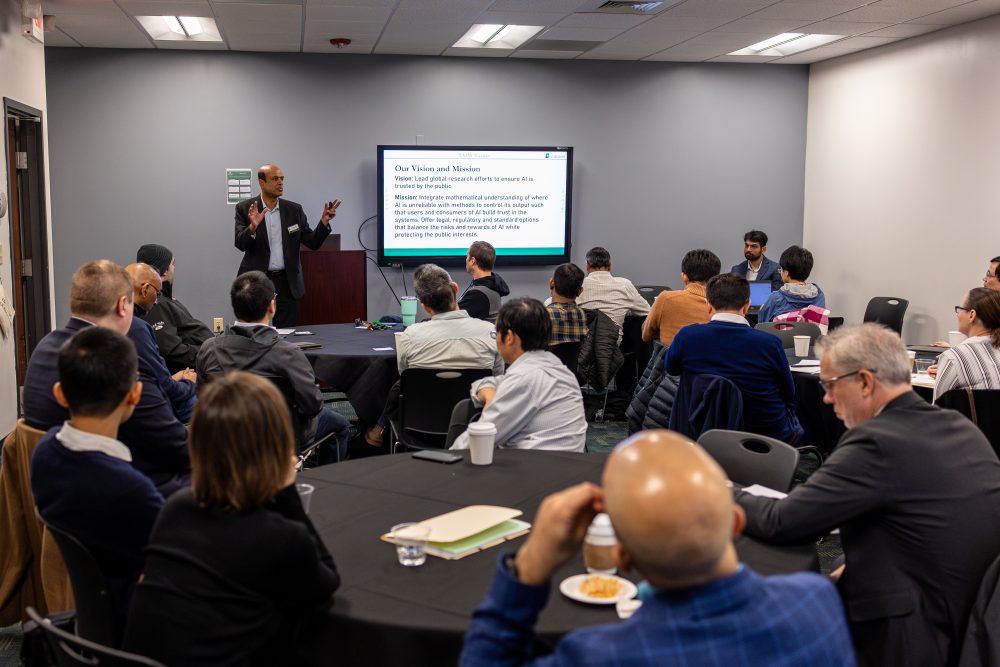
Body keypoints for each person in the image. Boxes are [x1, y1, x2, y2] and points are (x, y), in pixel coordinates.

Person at [460, 430, 857, 667]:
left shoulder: (601, 655)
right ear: (736, 524)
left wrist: (530, 566)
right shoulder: (817, 599)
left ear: (622, 557)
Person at [737, 323, 1000, 667]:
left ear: (864, 381)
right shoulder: (959, 426)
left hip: (910, 632)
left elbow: (782, 521)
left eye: (830, 385)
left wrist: (721, 491)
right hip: (966, 611)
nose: (826, 398)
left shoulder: (876, 442)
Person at [123, 372, 340, 666]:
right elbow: (326, 583)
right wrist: (286, 489)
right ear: (277, 445)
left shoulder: (175, 509)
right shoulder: (280, 536)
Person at [31, 327, 164, 629]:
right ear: (135, 394)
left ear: (59, 393)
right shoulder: (134, 491)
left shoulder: (44, 454)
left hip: (91, 619)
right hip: (135, 625)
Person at [22, 260, 190, 496]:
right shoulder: (115, 363)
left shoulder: (44, 349)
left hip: (52, 491)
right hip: (117, 494)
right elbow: (176, 447)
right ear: (123, 305)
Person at [196, 271, 350, 464]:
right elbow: (312, 406)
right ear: (272, 306)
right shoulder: (287, 354)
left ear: (235, 308)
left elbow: (202, 399)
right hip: (280, 440)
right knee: (341, 425)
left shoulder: (209, 349)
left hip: (226, 439)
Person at [363, 264, 503, 447]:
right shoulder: (490, 332)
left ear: (425, 307)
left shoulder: (410, 336)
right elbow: (498, 378)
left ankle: (379, 431)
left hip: (418, 428)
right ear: (455, 289)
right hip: (474, 428)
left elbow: (405, 377)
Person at [666, 273, 804, 444]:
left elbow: (671, 368)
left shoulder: (686, 337)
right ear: (747, 306)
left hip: (700, 432)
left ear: (708, 304)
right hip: (764, 439)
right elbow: (788, 393)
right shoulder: (769, 343)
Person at [450, 298, 586, 453]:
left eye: (496, 334)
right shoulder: (557, 369)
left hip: (536, 470)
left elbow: (480, 438)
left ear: (509, 337)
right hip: (562, 466)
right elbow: (496, 382)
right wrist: (488, 393)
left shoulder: (525, 378)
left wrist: (445, 460)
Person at [233, 164, 342, 328]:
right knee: (255, 332)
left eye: (282, 179)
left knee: (287, 334)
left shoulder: (294, 210)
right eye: (275, 179)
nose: (280, 183)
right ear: (261, 183)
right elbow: (240, 244)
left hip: (287, 283)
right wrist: (252, 228)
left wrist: (324, 223)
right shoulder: (246, 208)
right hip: (257, 282)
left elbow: (312, 242)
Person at [124, 262, 197, 423]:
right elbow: (167, 389)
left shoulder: (114, 323)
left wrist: (171, 378)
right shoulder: (137, 328)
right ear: (144, 290)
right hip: (147, 408)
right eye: (157, 293)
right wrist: (188, 383)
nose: (157, 301)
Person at [136, 244, 214, 373]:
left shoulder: (165, 299)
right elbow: (171, 350)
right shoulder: (155, 303)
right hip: (190, 373)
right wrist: (209, 354)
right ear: (165, 270)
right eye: (172, 264)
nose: (174, 268)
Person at [931, 287, 1000, 401]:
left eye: (959, 309)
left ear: (971, 315)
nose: (958, 314)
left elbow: (938, 413)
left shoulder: (953, 358)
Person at [641, 248, 720, 347]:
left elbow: (646, 335)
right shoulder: (723, 306)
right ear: (716, 279)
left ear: (684, 276)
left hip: (671, 361)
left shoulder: (666, 298)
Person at [576, 246, 649, 334]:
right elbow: (647, 311)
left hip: (581, 344)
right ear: (609, 266)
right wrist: (625, 309)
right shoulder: (624, 285)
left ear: (587, 265)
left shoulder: (577, 285)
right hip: (612, 345)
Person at [757, 245, 826, 323]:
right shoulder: (819, 296)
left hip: (781, 335)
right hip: (812, 335)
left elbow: (762, 325)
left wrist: (762, 311)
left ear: (786, 273)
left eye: (781, 270)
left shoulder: (776, 298)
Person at [458, 240, 510, 322]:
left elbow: (452, 318)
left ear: (472, 261)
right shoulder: (490, 285)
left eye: (467, 257)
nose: (466, 260)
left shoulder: (479, 294)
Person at [545, 263, 587, 346]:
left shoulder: (543, 316)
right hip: (572, 359)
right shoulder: (581, 314)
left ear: (551, 283)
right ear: (580, 291)